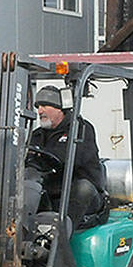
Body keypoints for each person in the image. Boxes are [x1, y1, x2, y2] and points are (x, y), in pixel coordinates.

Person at [27, 86, 106, 231]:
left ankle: (60, 240)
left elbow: (73, 159)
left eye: (45, 106)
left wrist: (44, 157)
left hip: (82, 196)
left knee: (83, 188)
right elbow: (29, 160)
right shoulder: (37, 135)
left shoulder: (81, 129)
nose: (40, 111)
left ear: (60, 109)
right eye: (38, 107)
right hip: (51, 194)